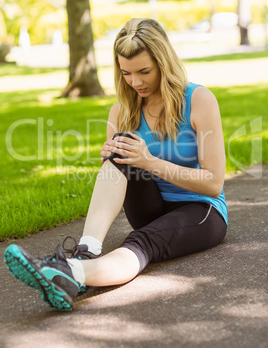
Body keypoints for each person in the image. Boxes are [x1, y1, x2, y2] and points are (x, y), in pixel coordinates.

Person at [4, 18, 228, 312]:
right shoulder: (122, 110)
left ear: (164, 63)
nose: (135, 82)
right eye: (126, 73)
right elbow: (121, 173)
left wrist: (148, 160)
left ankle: (72, 275)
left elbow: (213, 183)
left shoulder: (199, 100)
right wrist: (112, 162)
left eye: (144, 71)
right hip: (149, 208)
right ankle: (86, 252)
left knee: (141, 242)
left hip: (202, 211)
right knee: (119, 150)